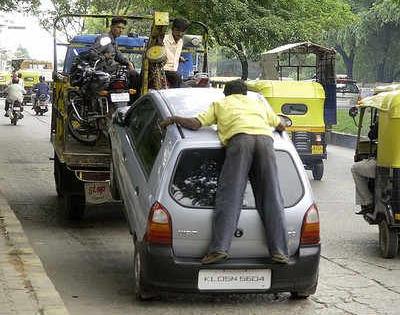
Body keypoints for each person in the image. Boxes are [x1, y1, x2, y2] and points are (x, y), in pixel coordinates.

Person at [161, 80, 289, 264]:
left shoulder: (220, 103)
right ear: (245, 93)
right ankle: (279, 251)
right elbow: (281, 126)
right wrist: (282, 120)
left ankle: (219, 249)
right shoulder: (258, 103)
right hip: (266, 142)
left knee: (231, 195)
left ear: (226, 94)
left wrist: (174, 119)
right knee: (272, 196)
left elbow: (196, 123)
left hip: (240, 141)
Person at [83, 17, 139, 92]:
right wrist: (104, 57)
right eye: (118, 27)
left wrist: (128, 63)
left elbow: (118, 55)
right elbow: (92, 53)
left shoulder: (113, 41)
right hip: (103, 72)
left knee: (132, 75)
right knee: (134, 75)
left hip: (111, 71)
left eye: (123, 28)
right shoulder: (106, 39)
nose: (121, 30)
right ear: (111, 27)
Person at [351, 121, 378, 215]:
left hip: (383, 163)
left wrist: (375, 125)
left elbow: (371, 135)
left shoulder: (385, 119)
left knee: (355, 169)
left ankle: (368, 201)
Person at [163, 18, 190, 88]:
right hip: (163, 71)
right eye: (177, 31)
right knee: (177, 78)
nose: (180, 34)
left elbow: (173, 55)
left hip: (174, 71)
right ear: (172, 29)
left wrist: (179, 58)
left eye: (183, 31)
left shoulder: (180, 41)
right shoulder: (163, 40)